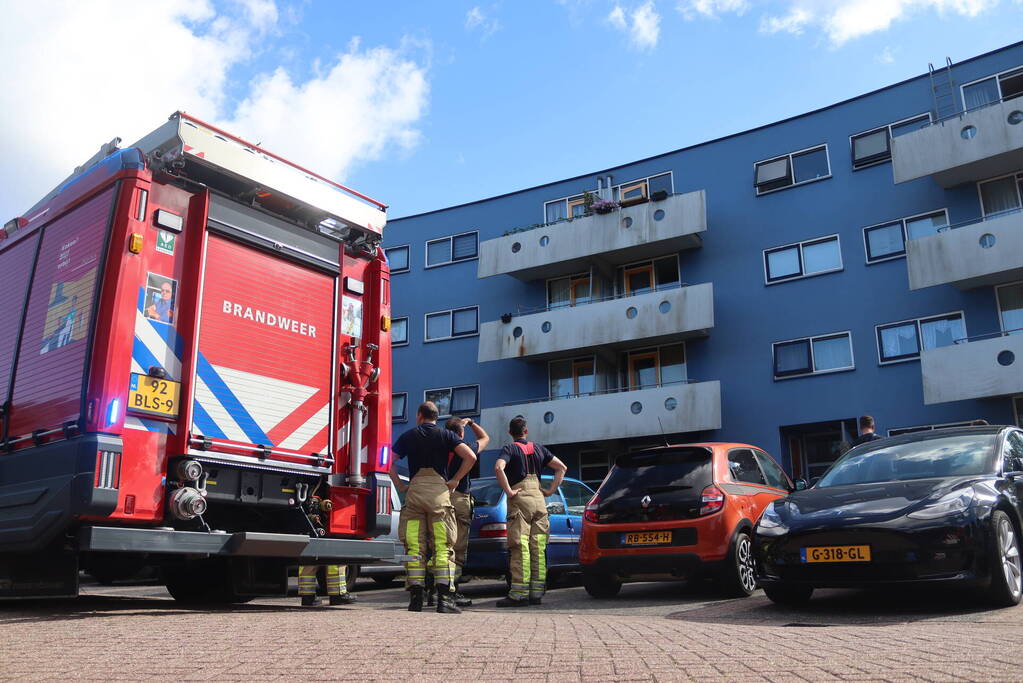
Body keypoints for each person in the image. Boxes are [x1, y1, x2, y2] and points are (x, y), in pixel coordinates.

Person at [390, 401, 477, 614]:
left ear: (420, 415)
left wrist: (401, 485)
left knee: (415, 546)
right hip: (439, 494)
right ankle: (444, 600)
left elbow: (387, 461)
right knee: (442, 546)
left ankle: (416, 598)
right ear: (436, 417)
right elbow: (471, 457)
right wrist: (455, 480)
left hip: (415, 494)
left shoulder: (408, 436)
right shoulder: (446, 435)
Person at [494, 416, 567, 608]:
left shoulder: (509, 449)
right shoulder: (540, 449)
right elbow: (562, 468)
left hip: (520, 500)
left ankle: (519, 594)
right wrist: (550, 491)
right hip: (539, 501)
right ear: (526, 431)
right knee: (538, 547)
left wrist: (509, 491)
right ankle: (536, 593)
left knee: (520, 547)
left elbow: (498, 468)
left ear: (510, 433)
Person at [438, 416, 489, 608]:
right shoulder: (466, 447)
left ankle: (434, 590)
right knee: (457, 548)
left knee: (438, 545)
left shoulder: (439, 449)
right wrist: (472, 423)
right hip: (459, 498)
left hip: (439, 498)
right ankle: (451, 591)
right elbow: (485, 438)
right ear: (460, 433)